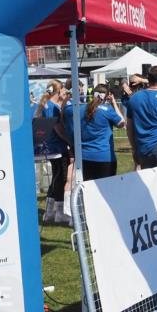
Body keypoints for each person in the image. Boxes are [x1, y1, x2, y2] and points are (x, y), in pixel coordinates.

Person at [70, 84, 125, 180]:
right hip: (103, 156)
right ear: (107, 96)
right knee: (106, 190)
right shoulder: (107, 110)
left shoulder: (80, 109)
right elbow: (122, 123)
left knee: (88, 189)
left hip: (84, 156)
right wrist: (114, 103)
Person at [35, 80, 70, 223]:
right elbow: (58, 129)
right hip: (58, 148)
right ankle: (59, 212)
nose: (65, 92)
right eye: (63, 89)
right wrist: (70, 141)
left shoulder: (46, 104)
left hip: (51, 147)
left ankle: (49, 212)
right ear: (57, 91)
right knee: (60, 178)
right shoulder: (51, 107)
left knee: (55, 178)